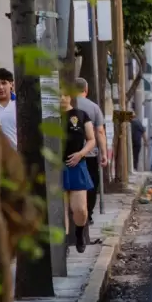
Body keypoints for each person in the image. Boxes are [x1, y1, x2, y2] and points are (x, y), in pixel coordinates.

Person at [61, 92, 96, 253]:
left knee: (80, 209)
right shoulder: (48, 117)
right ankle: (63, 244)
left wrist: (81, 154)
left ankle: (79, 233)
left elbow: (91, 139)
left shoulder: (81, 115)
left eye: (64, 94)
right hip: (57, 167)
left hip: (77, 165)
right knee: (61, 209)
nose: (61, 98)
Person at [73, 78, 107, 225]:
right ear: (86, 90)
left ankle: (76, 214)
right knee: (91, 184)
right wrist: (104, 153)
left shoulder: (67, 105)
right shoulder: (94, 107)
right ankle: (89, 214)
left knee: (75, 185)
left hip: (71, 154)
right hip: (90, 154)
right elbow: (100, 132)